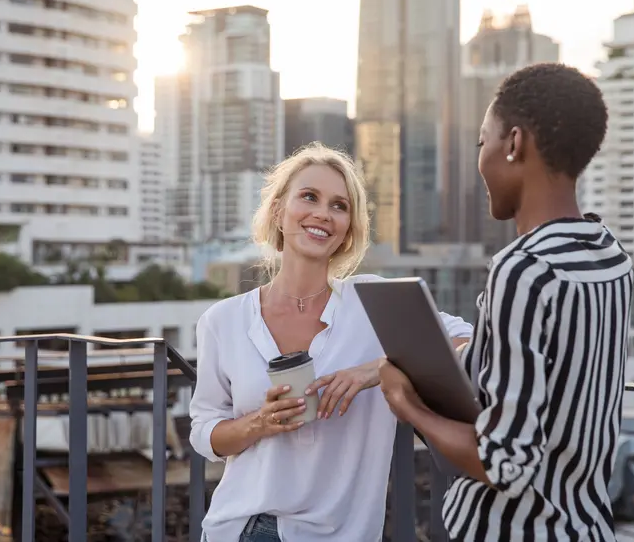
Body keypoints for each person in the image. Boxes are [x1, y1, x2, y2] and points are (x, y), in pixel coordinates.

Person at [379, 63, 634, 541]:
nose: (481, 160)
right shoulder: (609, 255)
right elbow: (559, 374)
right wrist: (462, 358)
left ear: (514, 144)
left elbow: (504, 464)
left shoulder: (524, 268)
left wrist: (407, 404)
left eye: (483, 143)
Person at [189, 143, 473, 542]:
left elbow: (471, 341)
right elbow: (204, 432)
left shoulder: (374, 303)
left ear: (347, 230)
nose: (323, 213)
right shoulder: (223, 320)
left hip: (340, 534)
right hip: (238, 528)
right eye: (309, 197)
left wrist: (378, 368)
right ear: (278, 211)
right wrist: (260, 423)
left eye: (339, 206)